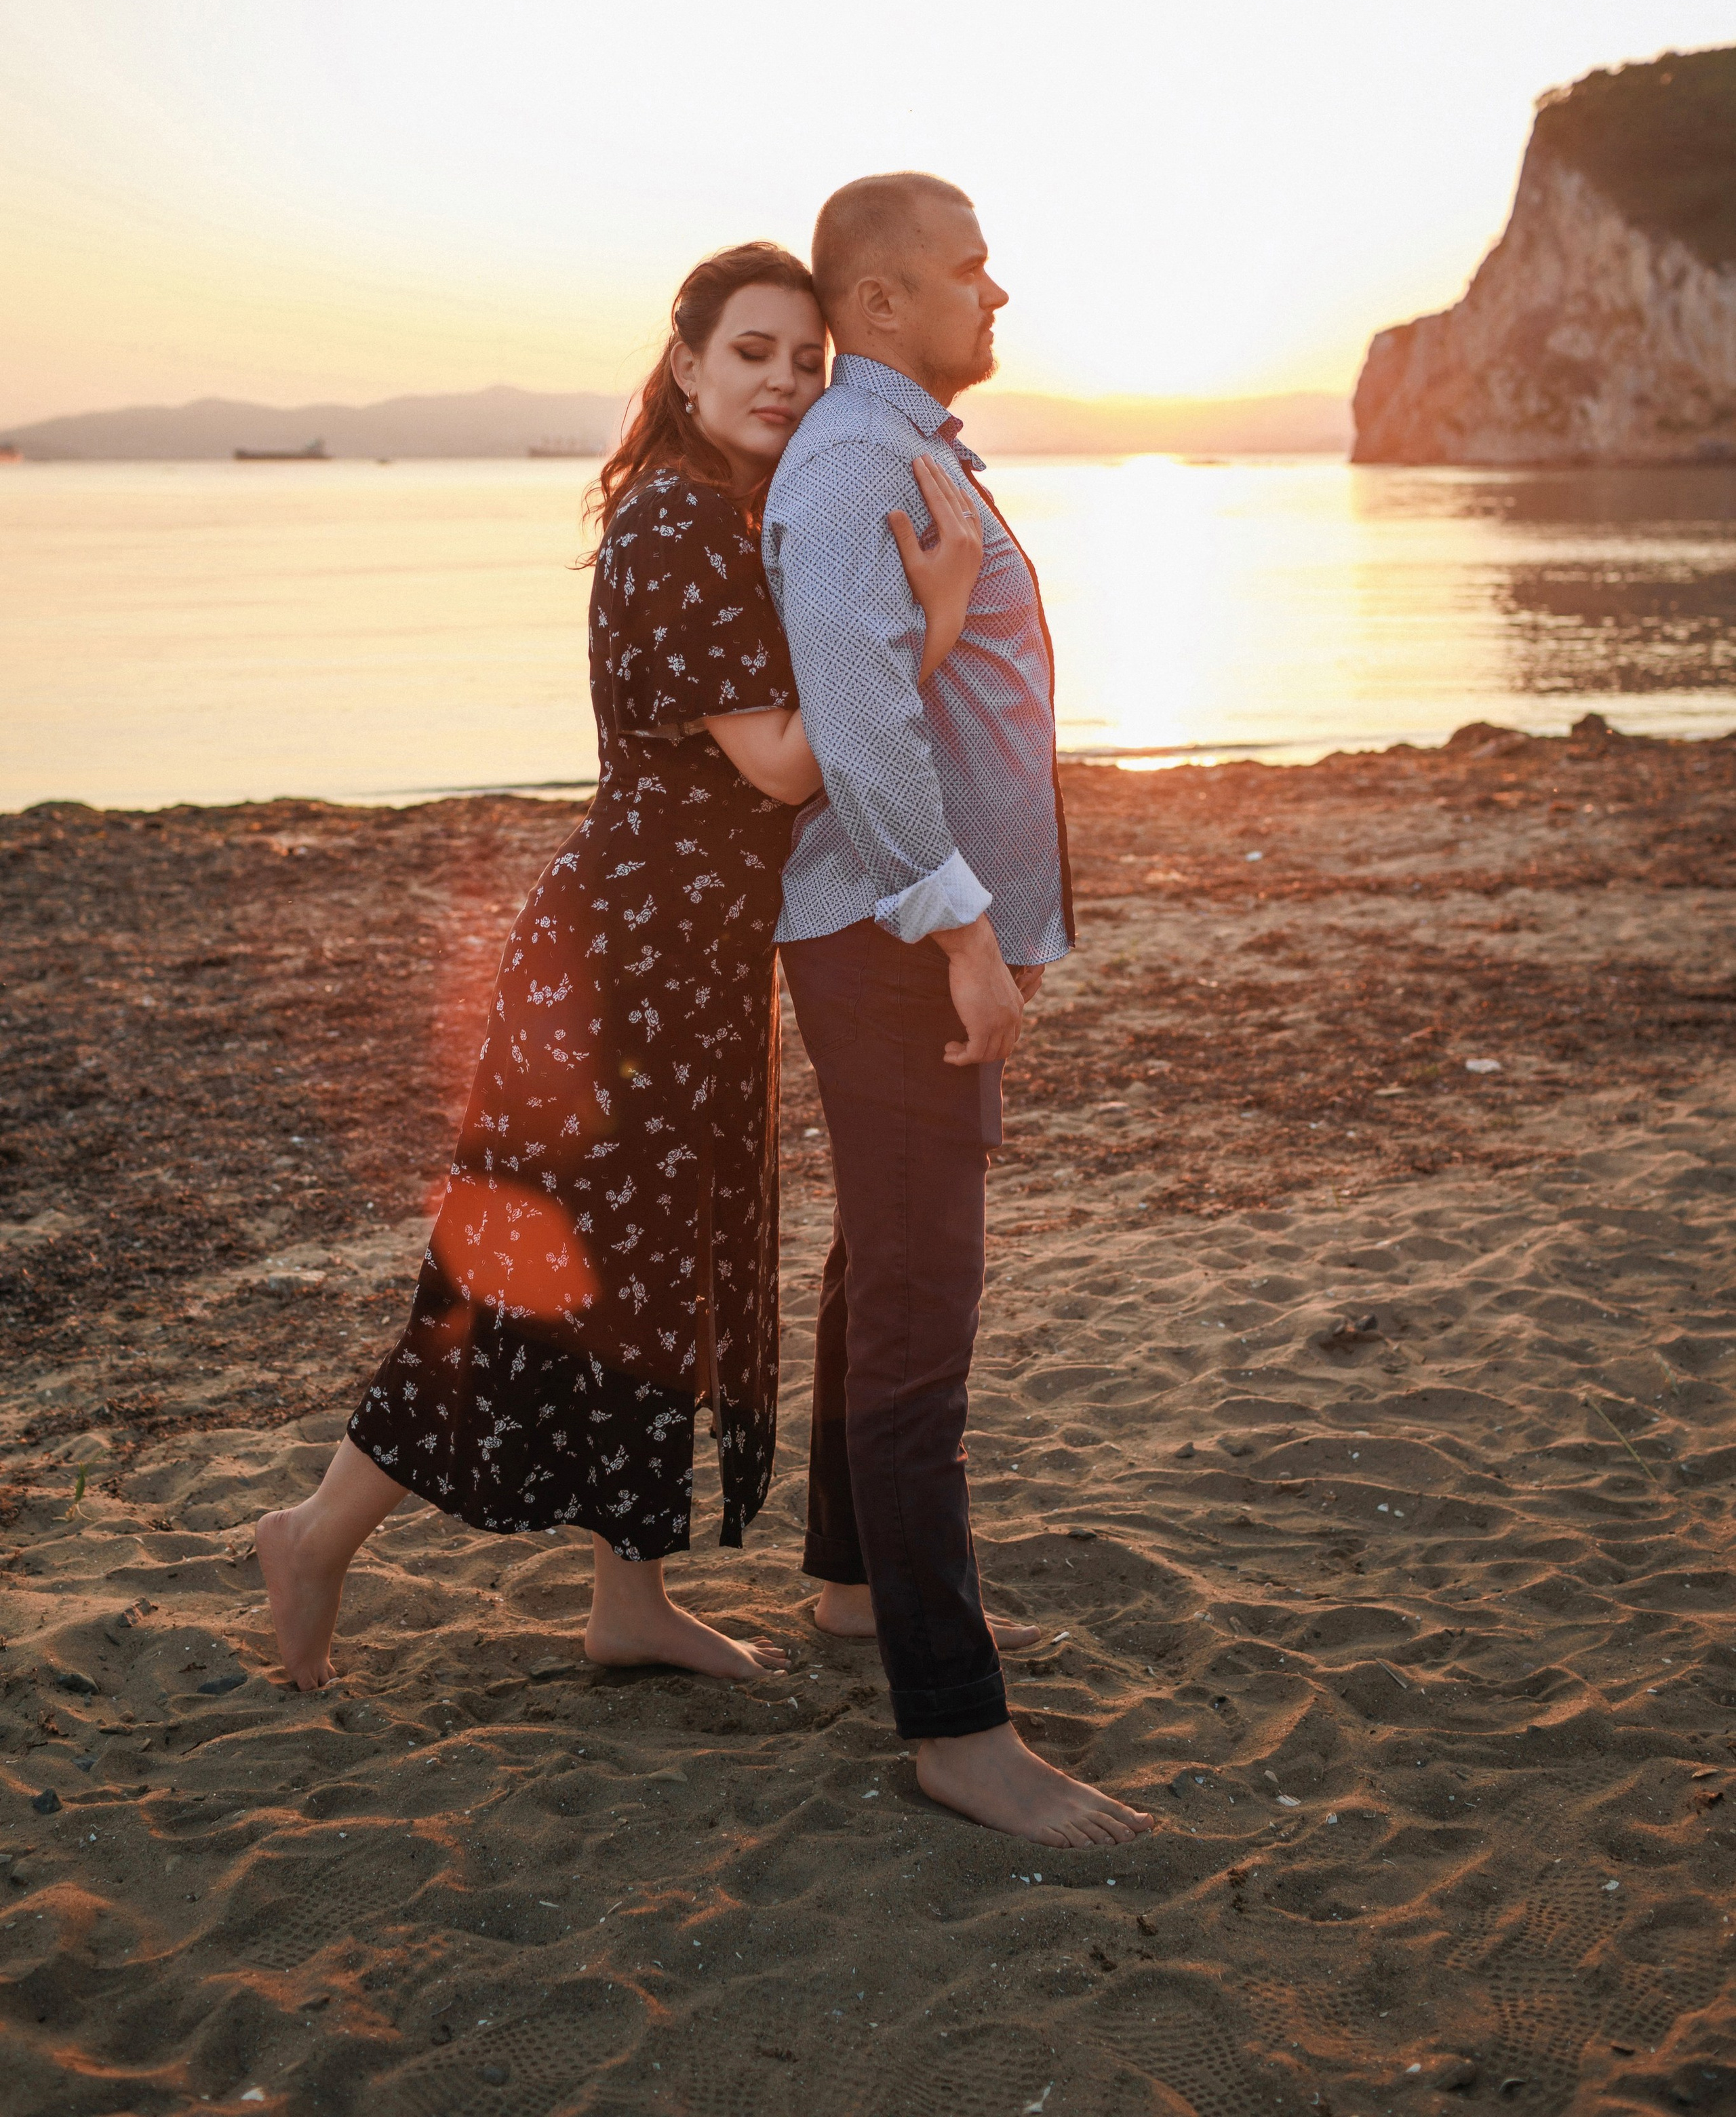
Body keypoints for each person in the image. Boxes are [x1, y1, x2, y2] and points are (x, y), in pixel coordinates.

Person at [256, 239, 984, 1691]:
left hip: (694, 958)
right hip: (624, 963)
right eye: (751, 353)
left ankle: (628, 1603)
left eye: (802, 360)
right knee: (526, 1277)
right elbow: (783, 766)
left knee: (649, 1285)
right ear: (685, 363)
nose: (781, 380)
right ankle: (316, 1533)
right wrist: (940, 614)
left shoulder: (728, 513)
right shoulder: (673, 527)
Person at [762, 174, 1155, 1848]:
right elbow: (858, 734)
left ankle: (854, 1589)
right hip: (890, 937)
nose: (999, 294)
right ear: (878, 301)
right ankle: (954, 1727)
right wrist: (965, 932)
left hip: (904, 932)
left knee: (883, 1261)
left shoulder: (908, 443)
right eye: (969, 271)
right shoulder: (859, 459)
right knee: (926, 1311)